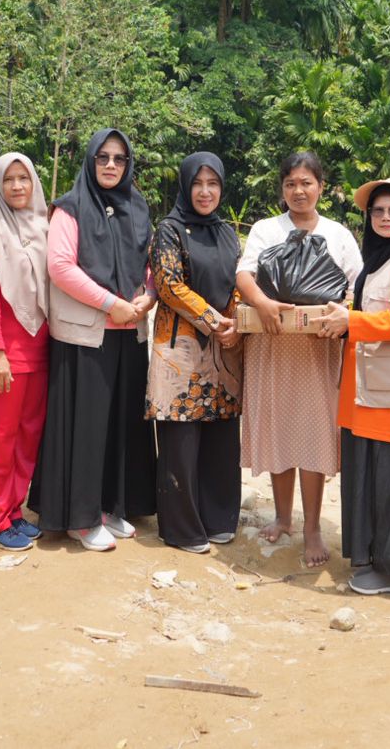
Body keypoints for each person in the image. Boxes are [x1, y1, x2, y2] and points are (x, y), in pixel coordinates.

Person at [32, 129, 157, 551]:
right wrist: (110, 304)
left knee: (120, 426)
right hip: (86, 335)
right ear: (90, 160)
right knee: (86, 429)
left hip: (129, 332)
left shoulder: (137, 207)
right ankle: (79, 519)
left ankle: (109, 506)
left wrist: (147, 296)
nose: (110, 165)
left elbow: (149, 264)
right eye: (103, 157)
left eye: (119, 159)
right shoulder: (70, 208)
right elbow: (60, 267)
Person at [236, 151, 361, 568]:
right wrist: (263, 303)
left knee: (313, 432)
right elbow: (244, 274)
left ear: (320, 187)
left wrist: (341, 313)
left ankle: (312, 528)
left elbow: (355, 285)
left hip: (316, 349)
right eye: (290, 183)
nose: (299, 191)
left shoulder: (338, 234)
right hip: (272, 344)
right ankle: (282, 517)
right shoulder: (266, 229)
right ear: (282, 189)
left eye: (306, 182)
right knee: (279, 427)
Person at [320, 177, 390, 595]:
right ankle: (373, 560)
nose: (386, 218)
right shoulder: (378, 259)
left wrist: (351, 321)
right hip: (366, 389)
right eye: (379, 211)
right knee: (369, 477)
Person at [147, 153, 244, 554]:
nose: (205, 192)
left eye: (213, 184)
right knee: (181, 440)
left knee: (222, 437)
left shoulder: (227, 233)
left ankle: (219, 518)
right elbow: (168, 285)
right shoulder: (169, 230)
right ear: (186, 187)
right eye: (197, 184)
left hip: (224, 348)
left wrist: (236, 322)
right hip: (180, 350)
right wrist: (213, 319)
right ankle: (182, 528)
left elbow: (239, 281)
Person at [0, 153, 52, 550]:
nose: (17, 186)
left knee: (28, 435)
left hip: (40, 347)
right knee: (1, 436)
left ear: (34, 183)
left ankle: (14, 511)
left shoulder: (44, 227)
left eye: (24, 178)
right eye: (9, 179)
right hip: (3, 353)